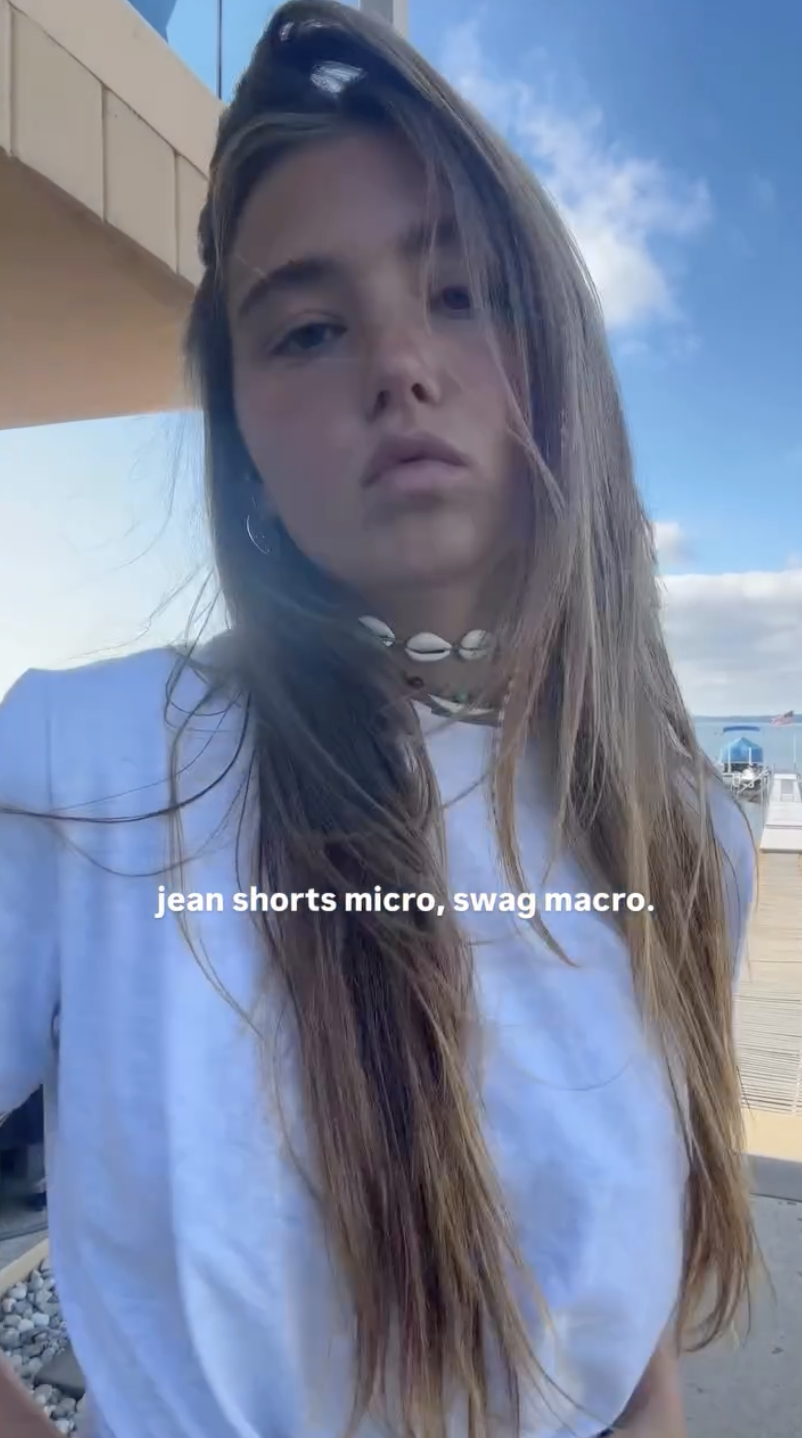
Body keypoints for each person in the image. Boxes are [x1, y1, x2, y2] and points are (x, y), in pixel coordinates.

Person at [0, 3, 758, 1436]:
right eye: (307, 328)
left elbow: (635, 1341)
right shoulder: (83, 767)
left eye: (463, 294)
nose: (399, 366)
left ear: (563, 353)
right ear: (242, 439)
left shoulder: (684, 827)